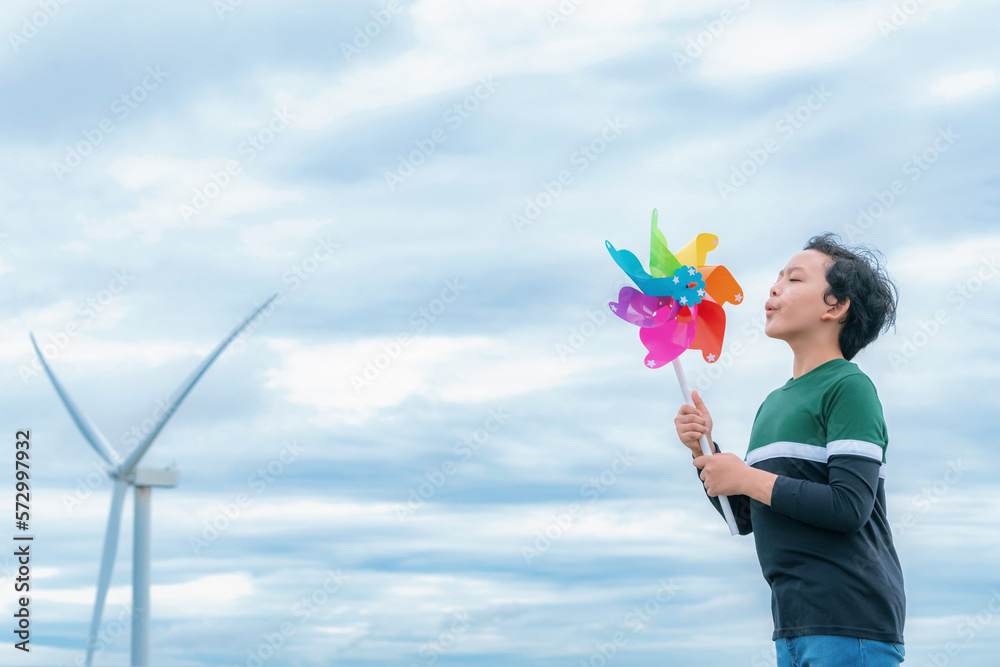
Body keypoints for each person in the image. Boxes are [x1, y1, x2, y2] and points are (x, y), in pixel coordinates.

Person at [674, 232, 905, 666]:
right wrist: (704, 449)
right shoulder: (773, 403)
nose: (775, 287)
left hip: (850, 620)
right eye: (777, 276)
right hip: (792, 624)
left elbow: (848, 507)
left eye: (794, 279)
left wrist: (744, 475)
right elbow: (744, 517)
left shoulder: (848, 387)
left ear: (834, 307)